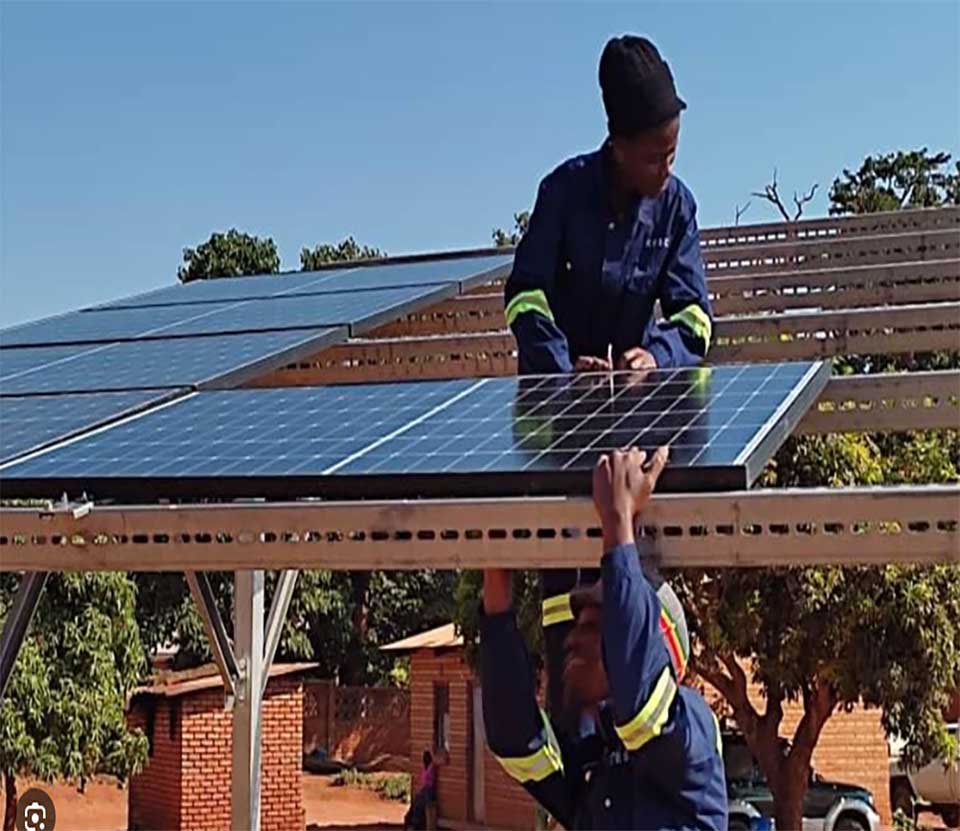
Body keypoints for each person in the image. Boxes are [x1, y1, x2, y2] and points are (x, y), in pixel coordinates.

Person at [503, 33, 715, 728]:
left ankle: (631, 729)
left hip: (634, 430)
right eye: (655, 153)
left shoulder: (678, 208)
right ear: (617, 145)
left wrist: (656, 355)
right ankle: (574, 733)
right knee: (568, 598)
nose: (666, 165)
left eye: (672, 152)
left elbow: (694, 318)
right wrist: (563, 370)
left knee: (625, 584)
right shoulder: (562, 192)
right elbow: (524, 295)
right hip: (558, 426)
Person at [480, 447, 727, 830]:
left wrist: (617, 521)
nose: (571, 642)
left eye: (594, 626)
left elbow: (641, 705)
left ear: (655, 646)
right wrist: (496, 584)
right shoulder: (595, 757)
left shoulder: (691, 730)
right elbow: (517, 740)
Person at [404, 750, 437, 830]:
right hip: (425, 788)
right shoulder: (425, 768)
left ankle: (416, 823)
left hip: (429, 789)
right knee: (416, 803)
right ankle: (414, 822)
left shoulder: (431, 767)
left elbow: (430, 781)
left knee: (421, 804)